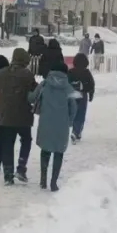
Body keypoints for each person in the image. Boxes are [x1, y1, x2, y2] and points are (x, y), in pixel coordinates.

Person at [29, 62, 79, 191]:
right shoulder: (68, 88)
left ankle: (43, 179)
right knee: (58, 152)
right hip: (61, 125)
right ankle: (53, 182)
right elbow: (73, 107)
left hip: (46, 122)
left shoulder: (44, 84)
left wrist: (25, 94)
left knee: (45, 150)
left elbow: (33, 98)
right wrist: (70, 122)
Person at [0, 48, 38, 184]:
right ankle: (21, 167)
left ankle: (8, 174)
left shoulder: (2, 73)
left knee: (7, 143)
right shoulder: (27, 75)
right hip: (23, 114)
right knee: (26, 140)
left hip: (5, 114)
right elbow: (34, 90)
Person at [67, 52, 96, 142]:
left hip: (72, 94)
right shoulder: (86, 72)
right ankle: (76, 132)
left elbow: (66, 83)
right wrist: (91, 95)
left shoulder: (70, 71)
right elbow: (91, 84)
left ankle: (74, 130)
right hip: (82, 95)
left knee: (72, 113)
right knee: (80, 114)